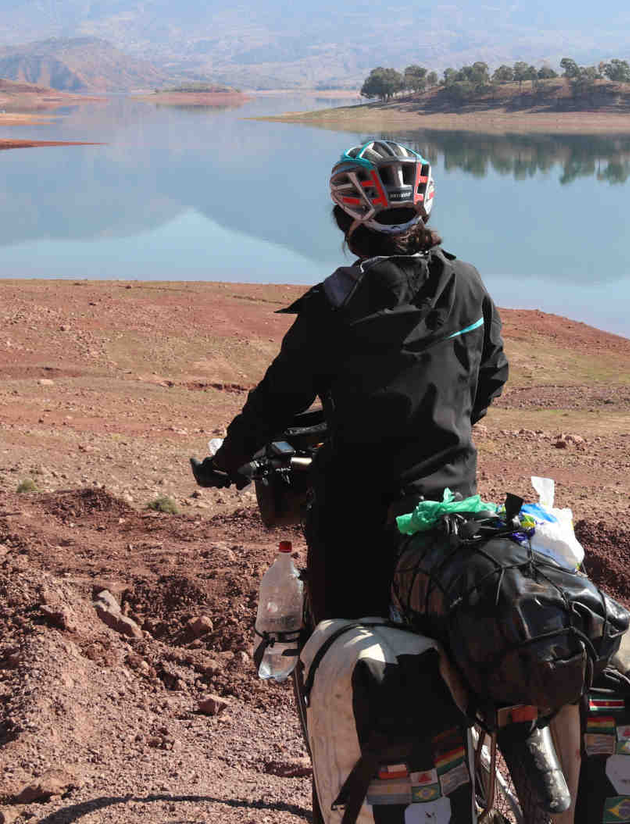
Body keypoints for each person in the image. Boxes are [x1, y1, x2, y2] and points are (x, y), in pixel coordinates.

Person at [193, 139, 508, 623]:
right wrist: (438, 422)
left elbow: (275, 402)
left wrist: (225, 462)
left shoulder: (336, 303)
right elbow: (490, 377)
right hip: (453, 505)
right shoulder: (466, 281)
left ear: (347, 220)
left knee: (341, 643)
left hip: (356, 517)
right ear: (423, 212)